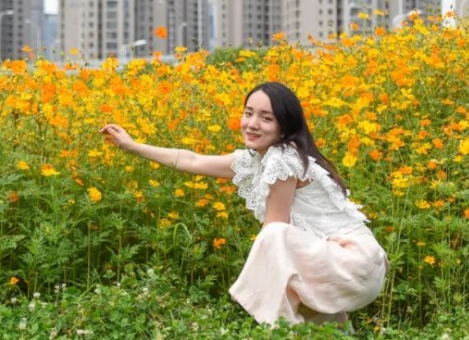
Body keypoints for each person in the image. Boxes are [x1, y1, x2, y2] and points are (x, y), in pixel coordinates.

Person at [100, 81, 389, 326]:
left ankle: (275, 331)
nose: (252, 124)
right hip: (345, 264)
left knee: (274, 239)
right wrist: (133, 146)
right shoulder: (257, 159)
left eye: (266, 118)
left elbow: (274, 229)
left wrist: (257, 287)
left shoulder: (283, 157)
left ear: (284, 126)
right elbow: (192, 160)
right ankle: (325, 338)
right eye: (248, 113)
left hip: (354, 262)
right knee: (283, 253)